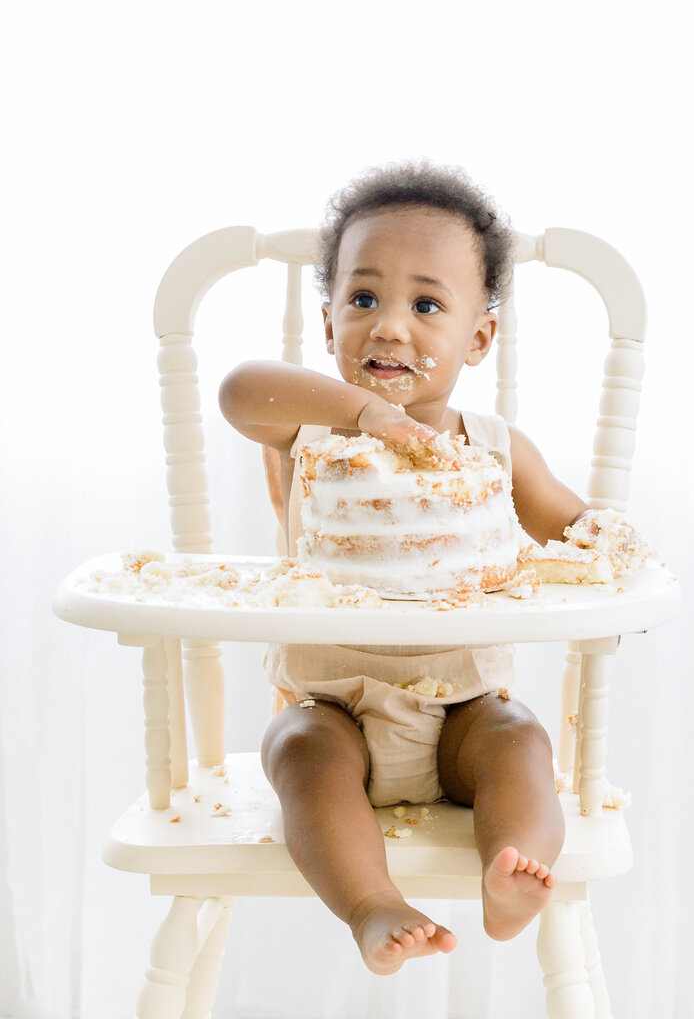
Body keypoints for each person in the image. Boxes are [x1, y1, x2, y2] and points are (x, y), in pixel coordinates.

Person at [219, 161, 589, 975]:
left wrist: (610, 544)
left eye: (426, 305)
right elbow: (241, 390)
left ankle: (514, 867)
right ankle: (371, 903)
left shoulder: (494, 449)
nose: (388, 326)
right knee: (297, 748)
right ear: (326, 324)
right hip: (335, 708)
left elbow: (573, 528)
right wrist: (360, 411)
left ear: (479, 338)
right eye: (362, 300)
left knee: (520, 739)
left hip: (463, 713)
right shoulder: (312, 431)